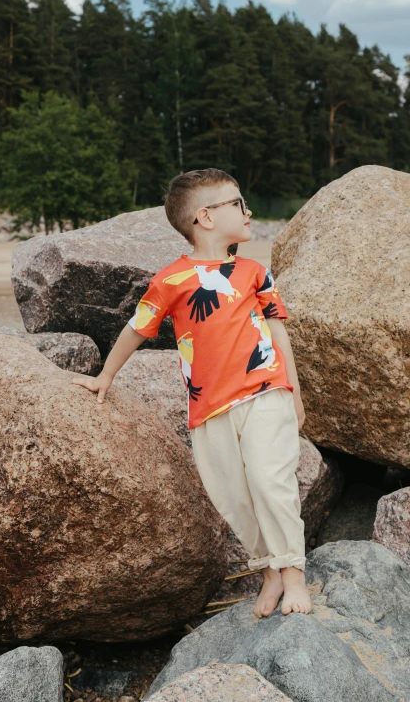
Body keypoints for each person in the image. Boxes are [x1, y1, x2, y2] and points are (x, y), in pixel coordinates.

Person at [72, 168, 313, 618]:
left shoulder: (254, 272)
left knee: (270, 482)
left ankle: (294, 573)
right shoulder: (171, 280)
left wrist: (294, 393)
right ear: (205, 217)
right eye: (238, 203)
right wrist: (106, 376)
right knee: (233, 495)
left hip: (266, 392)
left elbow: (279, 335)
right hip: (210, 407)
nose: (249, 210)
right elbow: (136, 329)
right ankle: (268, 573)